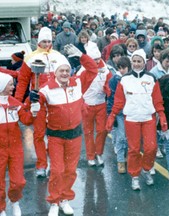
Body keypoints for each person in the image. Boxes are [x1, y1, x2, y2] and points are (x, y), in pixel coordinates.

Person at [38, 45, 98, 216]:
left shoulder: (77, 83)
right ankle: (54, 202)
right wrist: (33, 101)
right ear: (54, 73)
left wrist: (81, 56)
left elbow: (93, 69)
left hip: (75, 135)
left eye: (66, 70)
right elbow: (35, 107)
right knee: (57, 170)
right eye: (61, 71)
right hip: (56, 136)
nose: (64, 74)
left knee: (70, 170)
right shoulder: (46, 89)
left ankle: (64, 199)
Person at [0, 72, 40, 216]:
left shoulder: (15, 104)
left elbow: (27, 120)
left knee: (18, 182)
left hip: (16, 147)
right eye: (10, 84)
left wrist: (34, 113)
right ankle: (0, 208)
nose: (13, 86)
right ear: (2, 86)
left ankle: (15, 201)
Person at [106, 49, 168, 191]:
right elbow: (119, 101)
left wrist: (162, 115)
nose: (136, 64)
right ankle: (134, 176)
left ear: (144, 62)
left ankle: (146, 169)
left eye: (139, 61)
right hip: (132, 119)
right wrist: (112, 116)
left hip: (148, 118)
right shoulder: (125, 79)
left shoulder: (151, 78)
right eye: (134, 61)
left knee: (151, 147)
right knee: (133, 149)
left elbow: (157, 100)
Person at [14, 27, 63, 178]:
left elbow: (66, 76)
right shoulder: (30, 58)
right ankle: (41, 164)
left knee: (55, 135)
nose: (47, 44)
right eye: (44, 41)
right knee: (39, 134)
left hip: (55, 102)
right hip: (38, 101)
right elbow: (22, 81)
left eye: (49, 41)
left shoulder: (58, 56)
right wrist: (16, 102)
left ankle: (54, 163)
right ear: (38, 41)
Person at [77, 42, 112, 167]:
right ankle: (90, 156)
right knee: (88, 132)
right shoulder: (82, 71)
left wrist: (107, 89)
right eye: (94, 60)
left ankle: (99, 153)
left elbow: (110, 82)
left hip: (101, 104)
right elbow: (76, 89)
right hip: (87, 105)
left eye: (98, 59)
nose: (97, 62)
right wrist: (81, 103)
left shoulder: (106, 69)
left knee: (102, 130)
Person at [107, 56, 131, 173]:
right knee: (121, 137)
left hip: (131, 113)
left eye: (124, 68)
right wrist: (111, 114)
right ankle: (120, 161)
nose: (121, 70)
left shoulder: (132, 78)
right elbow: (110, 98)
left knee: (129, 138)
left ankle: (126, 157)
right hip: (120, 113)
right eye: (119, 68)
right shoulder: (114, 80)